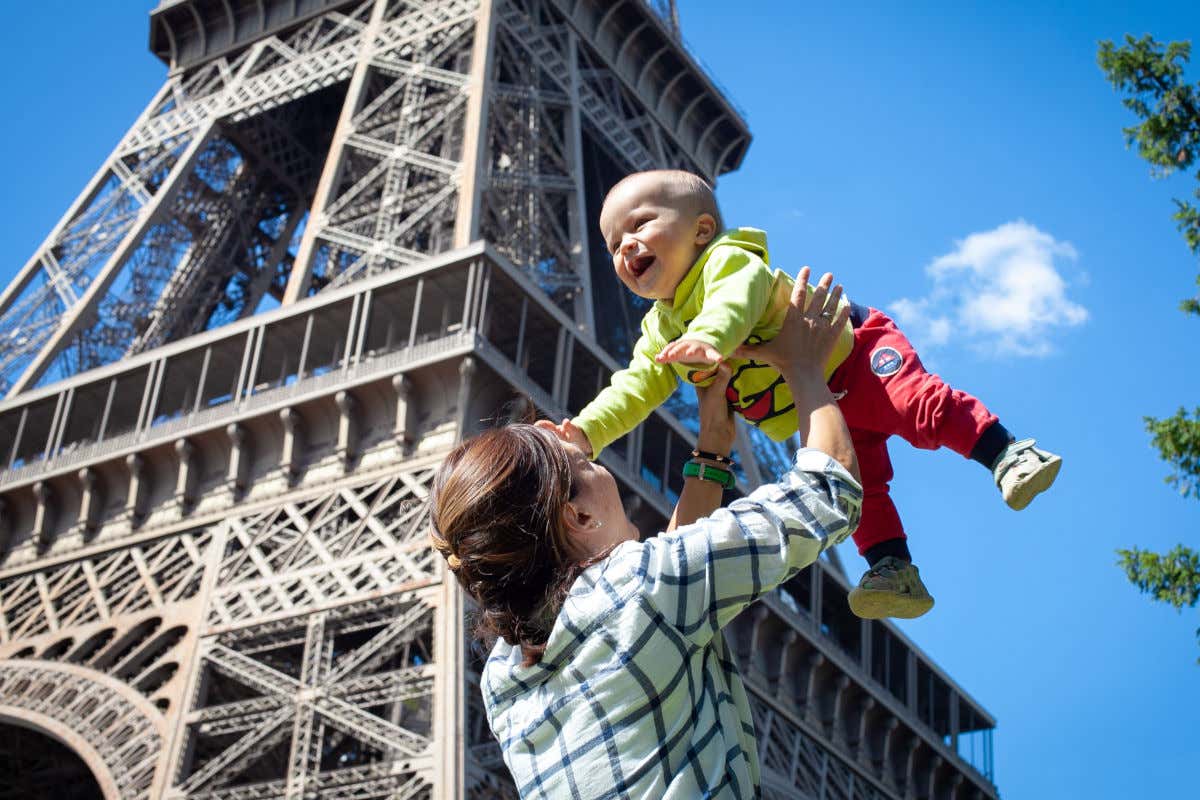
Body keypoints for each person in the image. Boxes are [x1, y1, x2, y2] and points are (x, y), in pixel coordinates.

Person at [542, 169, 1061, 620]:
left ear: (702, 231)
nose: (625, 245)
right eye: (613, 244)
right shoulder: (659, 327)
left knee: (917, 406)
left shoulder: (728, 259)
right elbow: (636, 385)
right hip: (817, 394)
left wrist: (709, 339)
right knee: (857, 484)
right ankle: (892, 566)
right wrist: (586, 434)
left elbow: (735, 302)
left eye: (639, 225)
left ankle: (1007, 452)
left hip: (855, 351)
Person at [430, 270, 862, 799]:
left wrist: (712, 450)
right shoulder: (648, 590)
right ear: (580, 518)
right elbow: (827, 491)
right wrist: (802, 366)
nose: (598, 463)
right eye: (587, 465)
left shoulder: (503, 677)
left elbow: (654, 608)